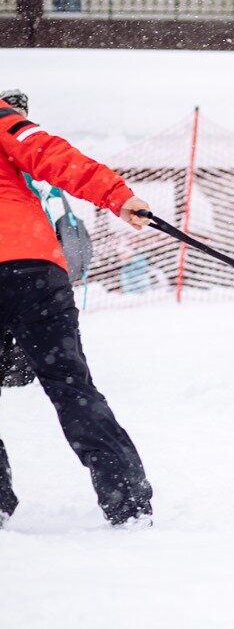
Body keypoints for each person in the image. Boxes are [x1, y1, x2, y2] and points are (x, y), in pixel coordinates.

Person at [0, 94, 154, 528]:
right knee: (71, 386)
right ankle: (127, 503)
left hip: (28, 262)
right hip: (33, 268)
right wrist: (118, 197)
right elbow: (51, 153)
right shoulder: (5, 120)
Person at [1, 88, 93, 388]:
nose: (18, 115)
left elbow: (54, 184)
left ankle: (25, 366)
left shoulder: (29, 142)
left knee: (38, 311)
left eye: (21, 111)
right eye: (13, 109)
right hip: (15, 240)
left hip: (36, 238)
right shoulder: (12, 143)